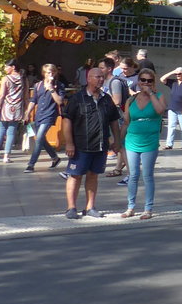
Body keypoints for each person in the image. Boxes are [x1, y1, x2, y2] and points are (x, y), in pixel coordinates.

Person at [61, 66, 123, 219]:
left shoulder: (106, 99)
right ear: (88, 78)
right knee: (75, 175)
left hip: (100, 145)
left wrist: (116, 140)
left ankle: (90, 207)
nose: (101, 79)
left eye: (102, 77)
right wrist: (69, 143)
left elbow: (114, 121)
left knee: (93, 175)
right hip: (80, 145)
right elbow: (67, 120)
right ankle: (71, 208)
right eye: (97, 77)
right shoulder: (77, 98)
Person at [120, 69, 166, 219]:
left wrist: (151, 93)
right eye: (143, 80)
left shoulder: (159, 96)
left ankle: (148, 209)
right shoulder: (131, 100)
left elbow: (160, 110)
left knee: (147, 175)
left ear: (153, 82)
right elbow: (126, 122)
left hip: (150, 141)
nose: (145, 83)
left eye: (149, 80)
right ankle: (130, 207)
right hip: (132, 140)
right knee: (133, 175)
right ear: (138, 81)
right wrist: (118, 141)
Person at [24, 63, 65, 171]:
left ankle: (31, 164)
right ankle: (55, 158)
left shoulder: (59, 85)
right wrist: (27, 113)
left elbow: (60, 101)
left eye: (52, 72)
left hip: (50, 114)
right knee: (42, 139)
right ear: (44, 73)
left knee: (39, 138)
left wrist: (51, 89)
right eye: (48, 72)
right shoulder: (38, 85)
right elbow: (33, 100)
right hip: (39, 115)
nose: (50, 74)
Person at [104, 57, 136, 179]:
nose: (123, 71)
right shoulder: (117, 79)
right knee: (120, 146)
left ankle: (131, 173)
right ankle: (121, 169)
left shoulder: (117, 81)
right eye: (121, 68)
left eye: (125, 68)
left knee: (120, 145)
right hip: (118, 116)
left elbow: (118, 100)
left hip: (122, 116)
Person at [0, 59, 27, 162]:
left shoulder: (6, 79)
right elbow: (26, 97)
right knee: (11, 132)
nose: (5, 68)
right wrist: (27, 111)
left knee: (1, 130)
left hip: (6, 107)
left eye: (7, 66)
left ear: (13, 67)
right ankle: (6, 156)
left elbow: (1, 95)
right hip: (17, 108)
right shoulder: (23, 79)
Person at [160, 67, 182, 149]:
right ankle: (169, 144)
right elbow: (162, 79)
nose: (177, 75)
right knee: (171, 127)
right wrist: (172, 72)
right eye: (176, 74)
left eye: (179, 74)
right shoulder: (173, 82)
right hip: (172, 108)